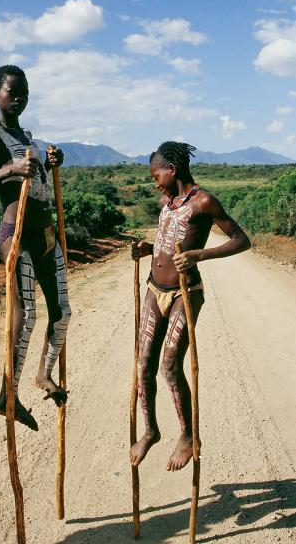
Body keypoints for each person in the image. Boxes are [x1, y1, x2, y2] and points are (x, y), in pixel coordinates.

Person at [0, 65, 71, 431]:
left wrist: (50, 163)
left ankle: (43, 374)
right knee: (26, 315)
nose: (19, 96)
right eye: (12, 90)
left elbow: (35, 175)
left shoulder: (25, 135)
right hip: (17, 232)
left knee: (63, 313)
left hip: (46, 234)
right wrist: (8, 170)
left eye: (24, 90)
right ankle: (7, 394)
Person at [129, 141, 250, 470]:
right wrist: (147, 248)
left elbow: (242, 240)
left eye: (156, 174)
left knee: (169, 366)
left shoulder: (204, 202)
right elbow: (167, 246)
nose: (153, 180)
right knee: (142, 367)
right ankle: (151, 431)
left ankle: (188, 436)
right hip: (155, 290)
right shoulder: (164, 202)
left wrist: (199, 255)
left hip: (185, 293)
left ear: (172, 170)